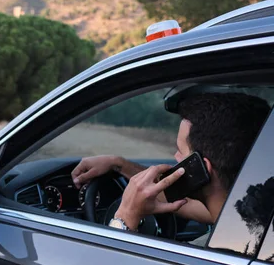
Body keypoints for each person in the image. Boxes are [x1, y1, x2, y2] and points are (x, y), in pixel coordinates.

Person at [71, 92, 271, 246]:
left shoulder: (206, 262)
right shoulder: (252, 215)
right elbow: (184, 203)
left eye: (179, 151)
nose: (176, 158)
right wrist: (119, 164)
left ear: (203, 169)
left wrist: (125, 217)